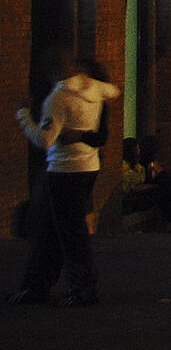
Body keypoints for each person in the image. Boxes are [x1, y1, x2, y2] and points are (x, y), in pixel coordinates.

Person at [12, 51, 119, 307]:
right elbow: (113, 90)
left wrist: (24, 116)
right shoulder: (94, 88)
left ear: (52, 73)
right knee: (54, 228)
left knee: (69, 233)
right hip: (87, 167)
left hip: (62, 171)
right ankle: (39, 286)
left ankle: (83, 288)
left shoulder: (58, 98)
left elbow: (45, 140)